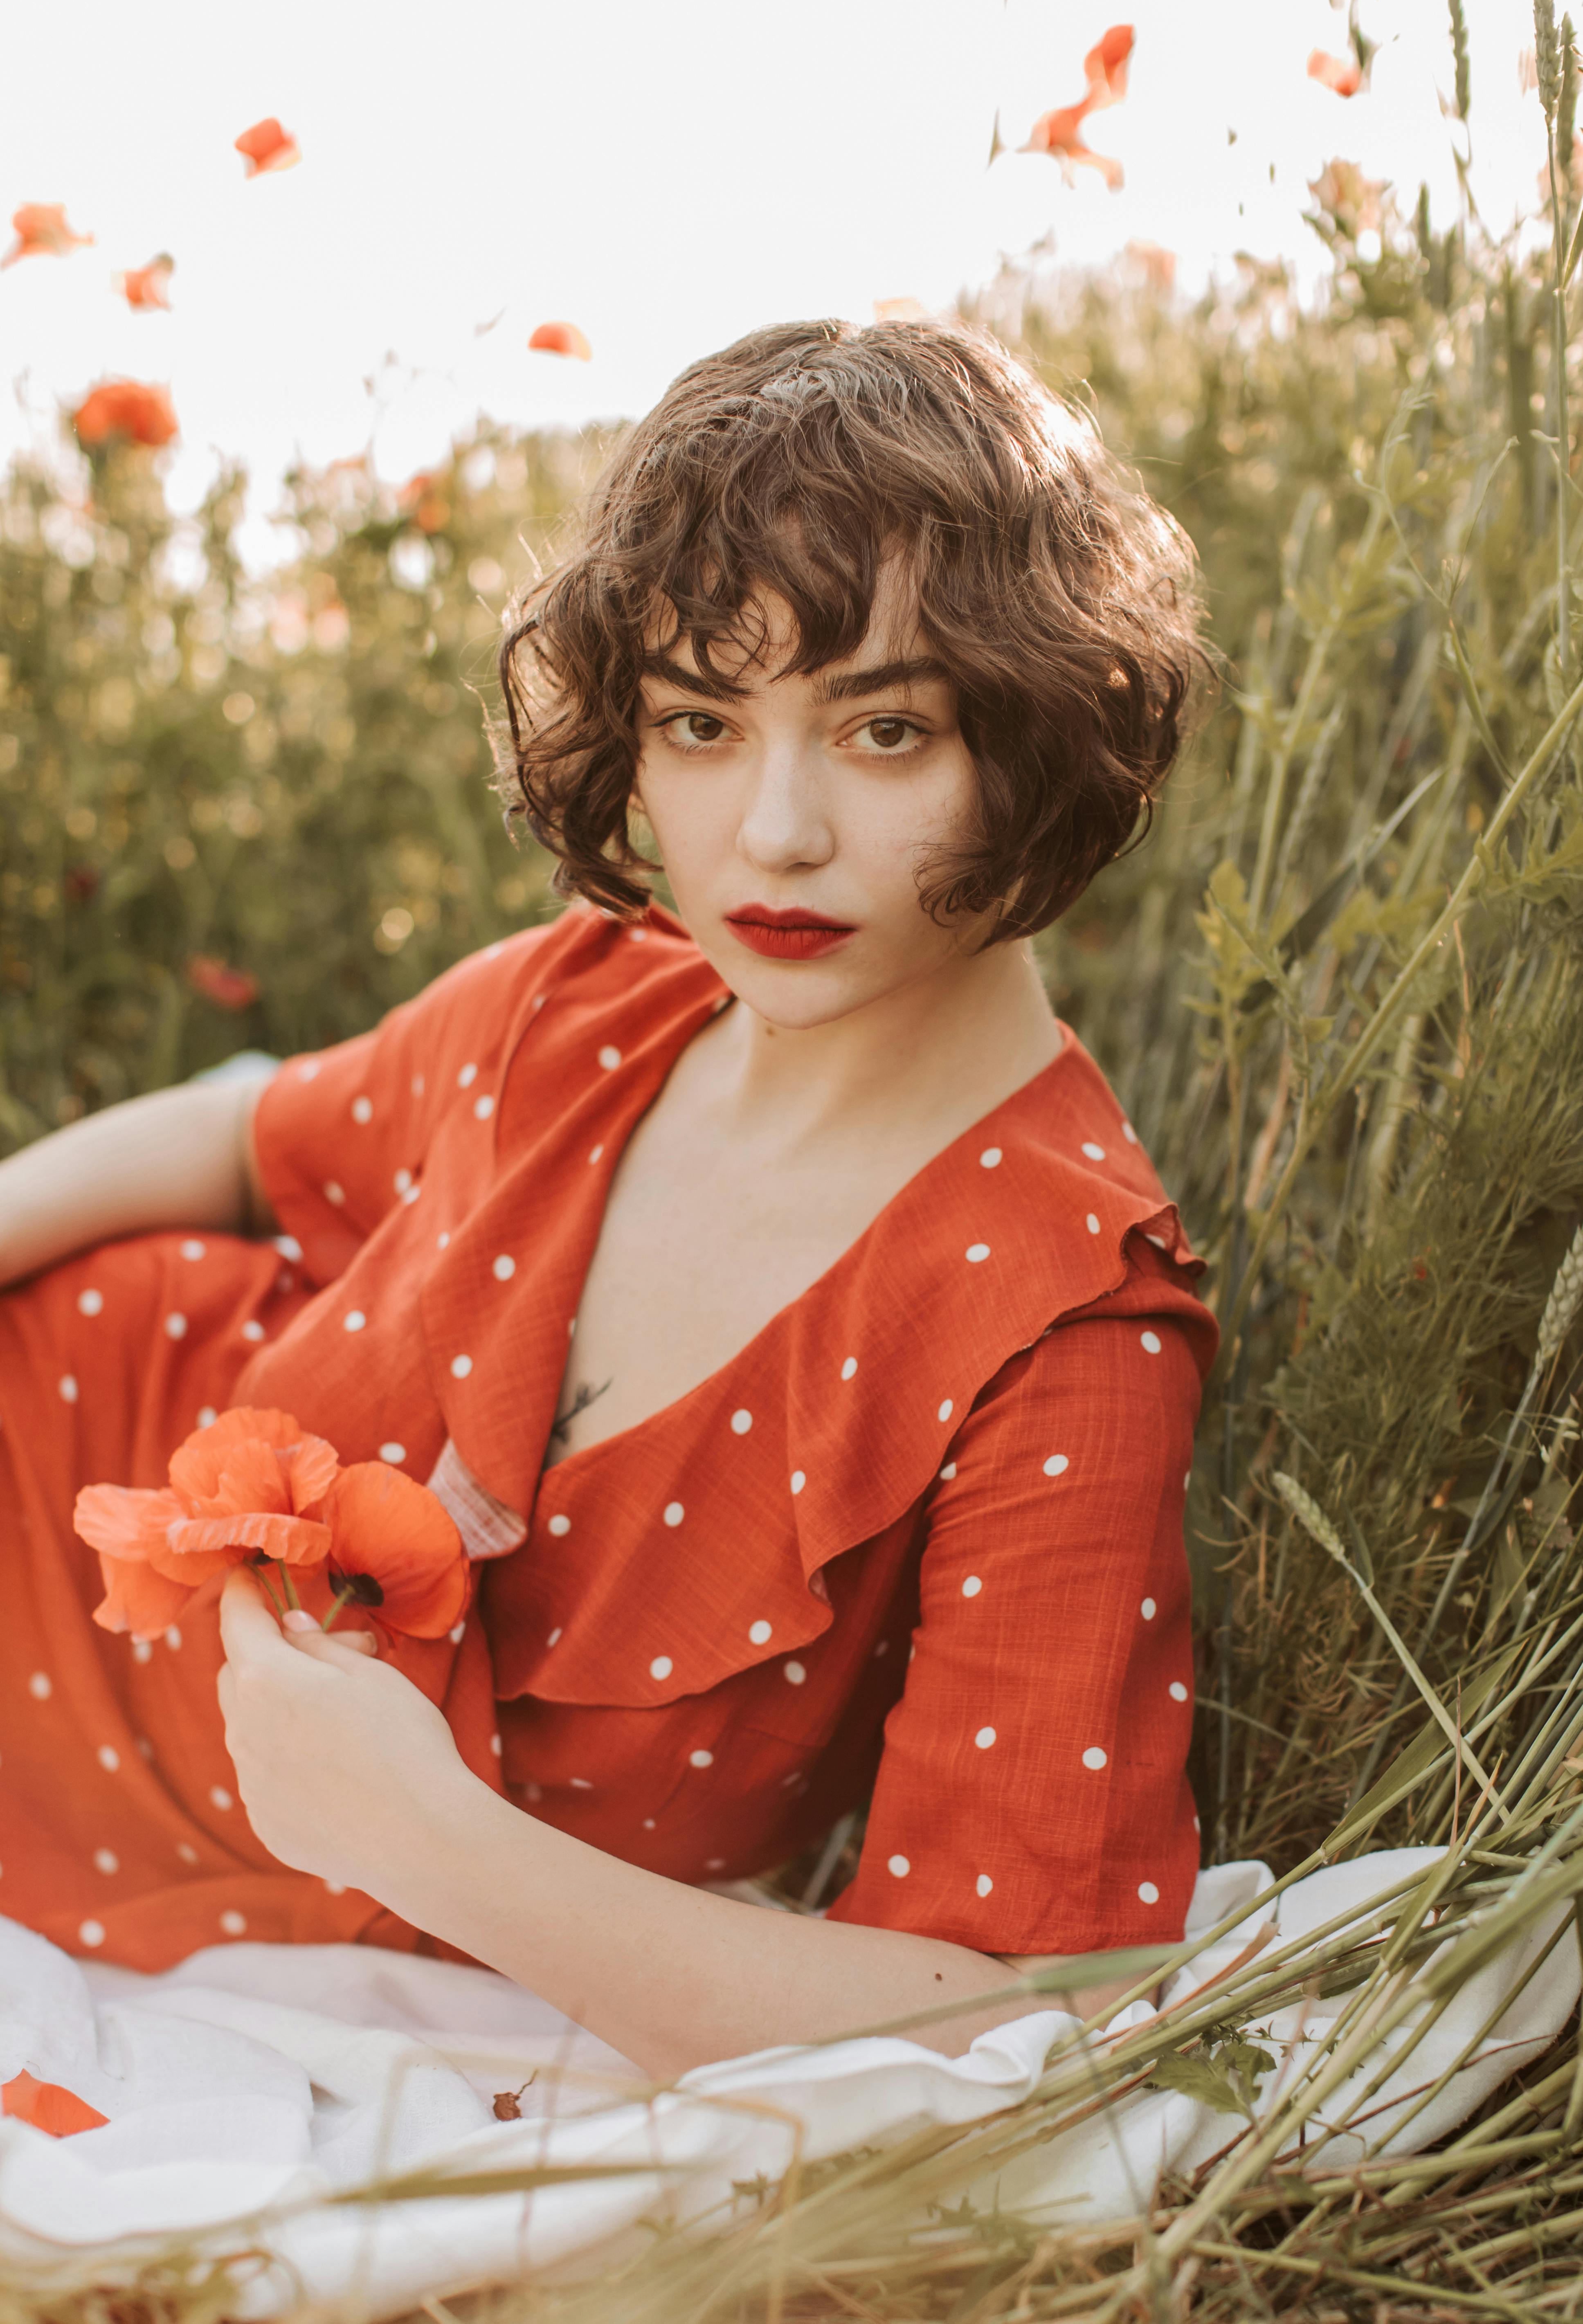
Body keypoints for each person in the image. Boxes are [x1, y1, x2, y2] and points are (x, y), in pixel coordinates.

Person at [0, 319, 1215, 2082]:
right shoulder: (595, 997)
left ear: (1037, 737)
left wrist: (430, 1845)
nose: (773, 834)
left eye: (885, 729)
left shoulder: (1060, 1324)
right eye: (699, 725)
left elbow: (1018, 2009)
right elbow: (245, 1128)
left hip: (219, 1878)